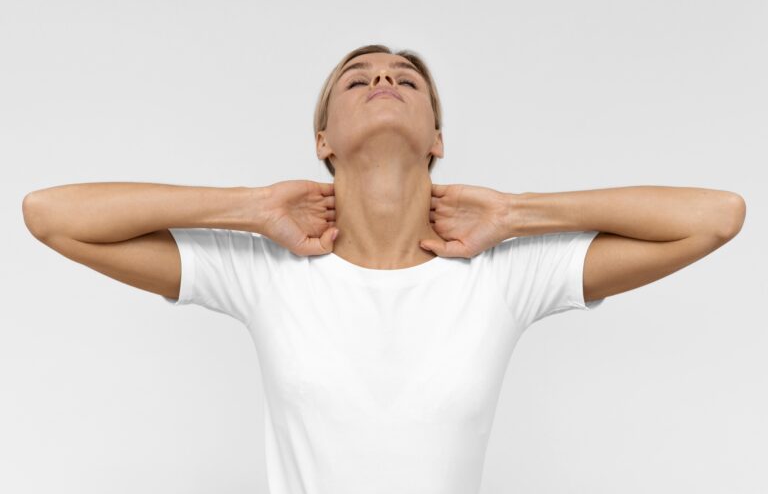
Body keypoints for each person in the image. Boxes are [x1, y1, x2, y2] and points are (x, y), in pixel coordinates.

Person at [22, 44, 745, 494]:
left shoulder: (500, 277)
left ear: (436, 136)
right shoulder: (269, 272)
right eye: (357, 78)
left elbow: (716, 216)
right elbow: (51, 214)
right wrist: (247, 206)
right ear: (322, 139)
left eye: (405, 76)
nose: (382, 79)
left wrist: (520, 213)